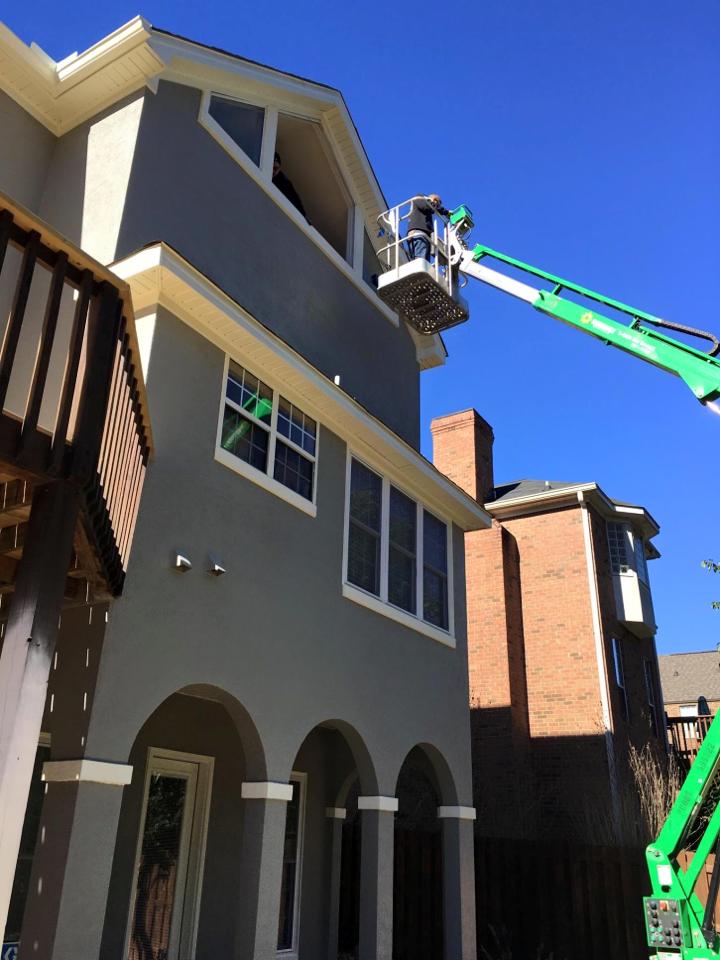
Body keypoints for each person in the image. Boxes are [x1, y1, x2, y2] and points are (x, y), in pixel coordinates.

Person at [406, 193, 449, 261]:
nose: (436, 205)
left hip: (420, 234)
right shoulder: (420, 199)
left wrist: (446, 212)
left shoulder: (424, 205)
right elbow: (429, 207)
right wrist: (446, 212)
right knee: (420, 260)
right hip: (419, 232)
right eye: (437, 203)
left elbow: (432, 208)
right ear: (434, 200)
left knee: (420, 261)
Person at [272, 152, 308, 219]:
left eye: (275, 169)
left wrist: (304, 217)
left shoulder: (284, 182)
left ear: (279, 169)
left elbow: (295, 200)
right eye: (271, 167)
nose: (273, 171)